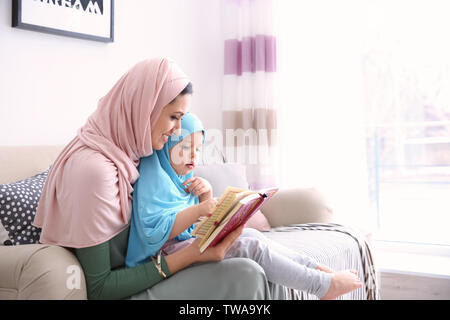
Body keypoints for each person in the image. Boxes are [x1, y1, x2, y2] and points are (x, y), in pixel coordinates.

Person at [33, 57, 269, 300]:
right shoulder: (95, 171)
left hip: (155, 268)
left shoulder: (135, 153)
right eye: (173, 117)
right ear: (144, 108)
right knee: (246, 274)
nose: (178, 131)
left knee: (255, 254)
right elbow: (99, 288)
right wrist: (193, 254)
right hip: (125, 288)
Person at [126, 112, 363, 300]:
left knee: (251, 234)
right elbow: (155, 231)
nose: (194, 156)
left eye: (198, 149)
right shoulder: (153, 180)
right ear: (168, 147)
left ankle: (321, 271)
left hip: (186, 247)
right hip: (166, 258)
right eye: (185, 148)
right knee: (250, 245)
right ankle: (320, 285)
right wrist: (200, 209)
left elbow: (195, 225)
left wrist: (206, 194)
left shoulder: (179, 180)